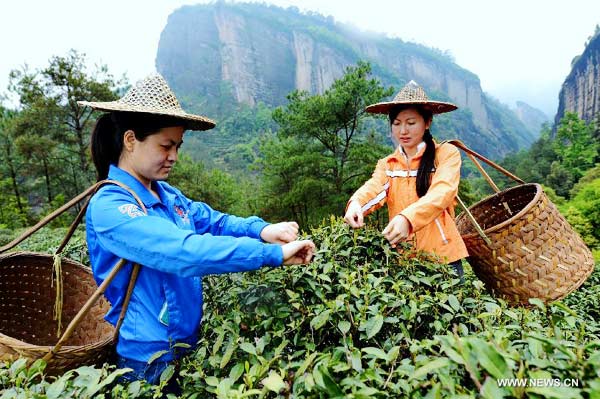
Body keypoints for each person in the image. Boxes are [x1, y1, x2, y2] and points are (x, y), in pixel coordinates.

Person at [79, 74, 315, 390]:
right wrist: (270, 254)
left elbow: (213, 221)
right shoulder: (111, 206)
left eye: (178, 145)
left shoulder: (167, 195)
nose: (174, 156)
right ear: (131, 140)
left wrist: (262, 230)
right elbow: (183, 250)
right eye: (166, 145)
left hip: (185, 346)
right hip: (145, 359)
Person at [343, 80, 468, 279]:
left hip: (444, 259)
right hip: (404, 259)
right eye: (397, 123)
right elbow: (375, 187)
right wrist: (356, 203)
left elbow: (442, 192)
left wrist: (407, 219)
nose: (403, 131)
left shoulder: (445, 154)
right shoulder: (388, 164)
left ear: (427, 123)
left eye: (411, 123)